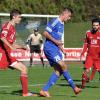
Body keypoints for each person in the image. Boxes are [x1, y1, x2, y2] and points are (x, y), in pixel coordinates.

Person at [39, 7, 81, 97]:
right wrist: (56, 42)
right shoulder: (55, 21)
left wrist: (62, 49)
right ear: (65, 13)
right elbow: (45, 33)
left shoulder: (62, 25)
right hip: (50, 48)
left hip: (56, 49)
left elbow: (58, 40)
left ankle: (44, 90)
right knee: (63, 66)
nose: (69, 18)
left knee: (59, 71)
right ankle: (74, 88)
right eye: (69, 16)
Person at [0, 9, 36, 97]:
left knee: (24, 69)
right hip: (2, 54)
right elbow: (2, 37)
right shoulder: (7, 26)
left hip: (8, 55)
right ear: (14, 17)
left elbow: (11, 44)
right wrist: (11, 46)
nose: (20, 19)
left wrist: (22, 47)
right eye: (19, 17)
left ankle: (25, 93)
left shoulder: (13, 28)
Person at [80, 18, 100, 88]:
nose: (95, 26)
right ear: (92, 25)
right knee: (86, 71)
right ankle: (83, 85)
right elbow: (86, 44)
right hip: (90, 56)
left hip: (98, 57)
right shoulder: (88, 33)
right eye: (94, 25)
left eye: (96, 25)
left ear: (99, 26)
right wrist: (83, 52)